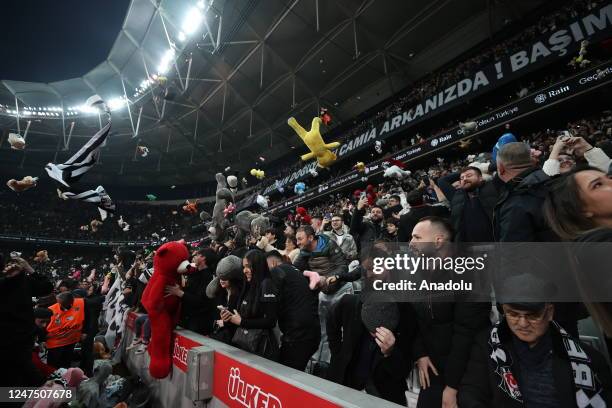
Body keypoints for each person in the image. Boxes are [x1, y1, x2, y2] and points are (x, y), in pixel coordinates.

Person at [459, 276, 612, 407]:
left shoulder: (588, 359)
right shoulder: (487, 345)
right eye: (513, 314)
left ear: (549, 312)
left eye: (532, 315)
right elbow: (471, 393)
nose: (523, 323)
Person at [409, 217, 491, 408]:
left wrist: (453, 386)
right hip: (433, 368)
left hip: (466, 373)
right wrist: (420, 354)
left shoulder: (469, 272)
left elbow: (467, 333)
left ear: (438, 241)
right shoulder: (417, 272)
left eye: (417, 237)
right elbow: (415, 320)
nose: (410, 242)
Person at [294, 225, 357, 370]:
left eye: (300, 239)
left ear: (310, 238)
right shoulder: (304, 252)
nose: (298, 242)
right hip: (324, 294)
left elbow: (342, 266)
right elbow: (295, 270)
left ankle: (342, 367)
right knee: (323, 330)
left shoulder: (329, 244)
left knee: (342, 333)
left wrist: (329, 278)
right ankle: (322, 365)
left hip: (342, 291)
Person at [0, 255, 53, 387]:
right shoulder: (21, 281)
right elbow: (46, 286)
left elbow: (47, 287)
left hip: (17, 341)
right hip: (20, 340)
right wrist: (27, 269)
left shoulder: (21, 281)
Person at [220, 250, 280, 360]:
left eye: (248, 266)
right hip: (244, 346)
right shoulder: (248, 285)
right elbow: (243, 316)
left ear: (257, 266)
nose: (245, 270)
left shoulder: (267, 284)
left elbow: (270, 321)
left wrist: (242, 322)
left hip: (260, 350)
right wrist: (229, 317)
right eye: (243, 267)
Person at [266, 251, 320, 371]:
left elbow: (272, 301)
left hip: (297, 334)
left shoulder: (277, 271)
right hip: (311, 331)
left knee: (287, 375)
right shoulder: (295, 270)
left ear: (273, 263)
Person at [494, 142, 558, 242]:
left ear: (501, 168)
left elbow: (514, 253)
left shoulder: (515, 204)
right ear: (532, 160)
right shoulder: (556, 182)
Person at [437, 166, 502, 242]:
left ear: (480, 178)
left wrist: (479, 168)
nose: (464, 179)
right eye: (461, 178)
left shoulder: (492, 186)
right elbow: (442, 181)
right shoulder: (455, 195)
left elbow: (501, 165)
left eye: (469, 176)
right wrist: (465, 172)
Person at [165, 248, 218, 335]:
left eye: (197, 255)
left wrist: (180, 293)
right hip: (188, 318)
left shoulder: (207, 277)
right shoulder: (195, 273)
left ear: (203, 258)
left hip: (198, 322)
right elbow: (191, 292)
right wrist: (181, 290)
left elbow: (200, 301)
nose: (194, 257)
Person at [206, 255, 245, 344]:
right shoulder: (219, 292)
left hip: (234, 338)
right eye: (220, 277)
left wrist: (225, 323)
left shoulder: (240, 294)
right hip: (220, 335)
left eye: (225, 277)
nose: (221, 280)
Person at [46, 291, 87, 369]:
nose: (59, 305)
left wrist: (85, 331)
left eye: (61, 303)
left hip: (71, 340)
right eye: (58, 302)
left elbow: (88, 316)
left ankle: (66, 377)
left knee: (66, 362)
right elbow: (42, 325)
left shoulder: (81, 303)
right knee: (53, 365)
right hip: (55, 343)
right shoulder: (51, 310)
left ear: (70, 302)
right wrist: (43, 338)